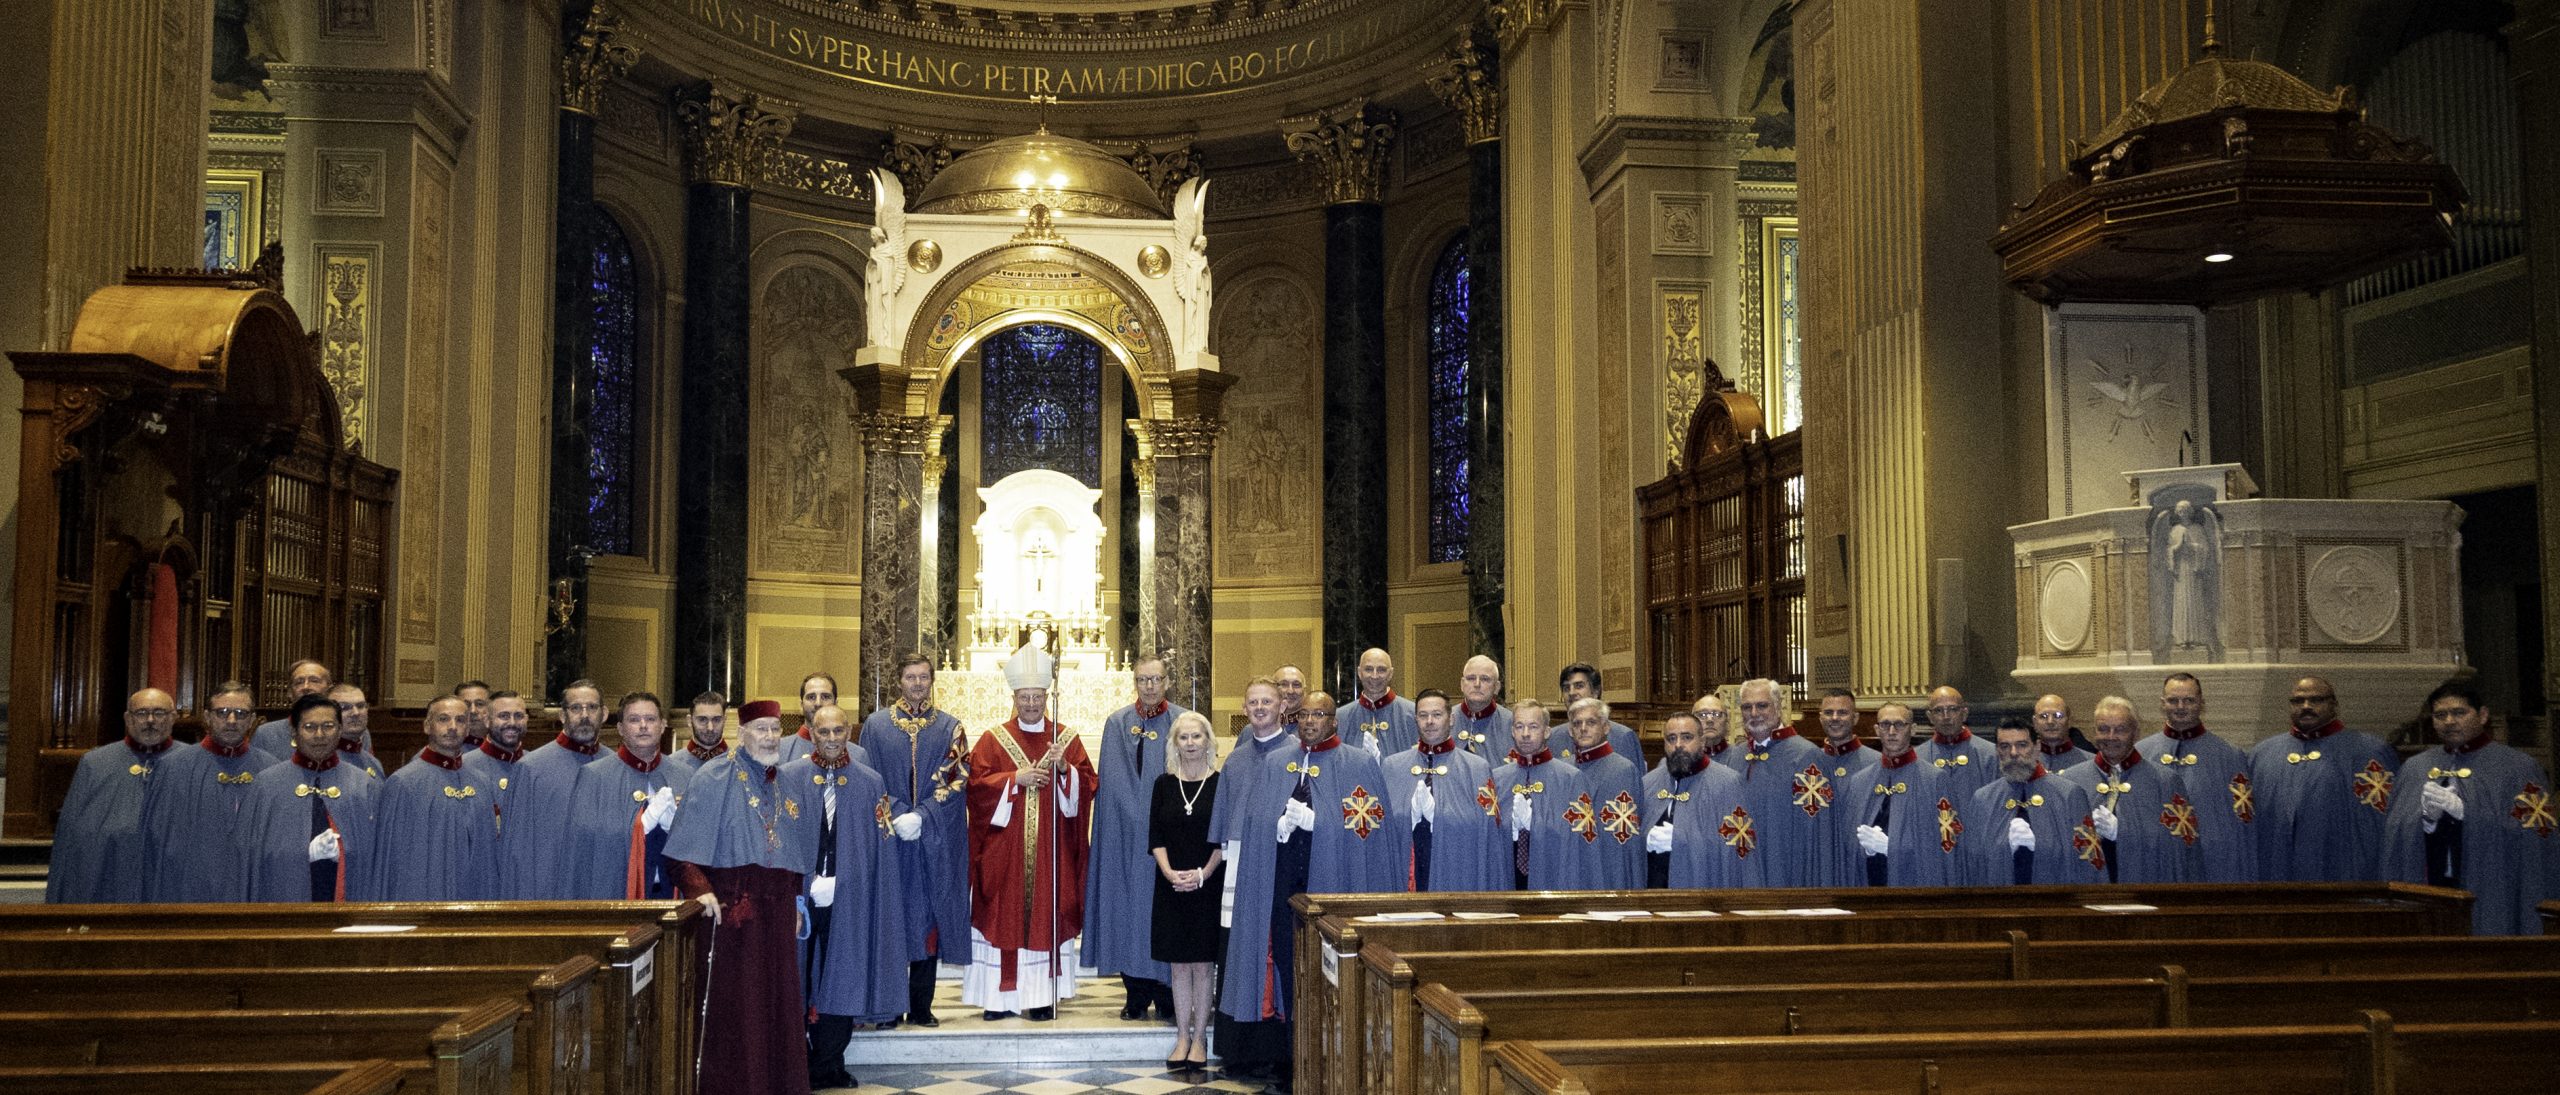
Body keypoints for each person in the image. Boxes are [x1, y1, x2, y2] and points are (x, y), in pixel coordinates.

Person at [1218, 693, 1402, 1089]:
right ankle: (1291, 1058)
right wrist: (1276, 826)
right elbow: (1256, 822)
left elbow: (1367, 828)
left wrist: (1319, 822)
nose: (1310, 721)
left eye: (1320, 714)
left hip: (1332, 892)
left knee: (1332, 977)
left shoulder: (1358, 763)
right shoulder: (1274, 763)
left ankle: (1333, 1061)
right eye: (1304, 714)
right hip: (1284, 893)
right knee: (1289, 973)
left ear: (1335, 720)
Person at [664, 699, 819, 1095]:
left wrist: (797, 901)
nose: (770, 737)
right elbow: (683, 853)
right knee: (739, 1012)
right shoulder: (714, 777)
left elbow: (791, 850)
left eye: (775, 729)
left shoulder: (785, 780)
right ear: (743, 733)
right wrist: (702, 891)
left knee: (778, 1006)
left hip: (778, 913)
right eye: (761, 729)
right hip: (733, 916)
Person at [962, 641, 1096, 1021]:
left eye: (1038, 697)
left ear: (1047, 696)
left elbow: (1087, 786)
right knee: (1003, 912)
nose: (1033, 704)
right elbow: (976, 786)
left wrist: (1064, 770)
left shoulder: (1064, 739)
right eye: (1026, 697)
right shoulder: (993, 738)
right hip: (1005, 852)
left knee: (1045, 913)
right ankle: (997, 999)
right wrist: (1014, 779)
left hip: (1052, 850)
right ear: (1015, 696)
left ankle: (1040, 997)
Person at [2380, 680, 2559, 935]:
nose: (2449, 721)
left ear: (2483, 715)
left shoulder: (2517, 768)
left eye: (2459, 712)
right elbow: (2395, 839)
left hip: (2490, 892)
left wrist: (2466, 814)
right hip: (2429, 893)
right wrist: (2427, 821)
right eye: (2441, 715)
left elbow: (2535, 841)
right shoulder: (2414, 768)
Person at [794, 703, 906, 1092]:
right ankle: (799, 1061)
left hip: (851, 897)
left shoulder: (870, 782)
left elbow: (882, 844)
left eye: (838, 731)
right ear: (810, 730)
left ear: (849, 732)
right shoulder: (790, 778)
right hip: (801, 900)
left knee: (843, 975)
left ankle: (829, 1063)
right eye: (822, 732)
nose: (830, 739)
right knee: (800, 976)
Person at [862, 653, 969, 1029]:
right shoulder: (875, 727)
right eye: (911, 677)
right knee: (891, 919)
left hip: (930, 839)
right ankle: (889, 1007)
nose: (918, 684)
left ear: (932, 680)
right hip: (889, 839)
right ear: (899, 680)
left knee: (926, 921)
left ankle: (922, 1006)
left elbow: (957, 779)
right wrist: (894, 810)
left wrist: (922, 814)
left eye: (924, 677)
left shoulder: (950, 727)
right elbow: (867, 777)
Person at [1086, 656, 1187, 1022]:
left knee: (1165, 911)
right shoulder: (1118, 723)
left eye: (1156, 679)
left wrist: (1163, 819)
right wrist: (1138, 819)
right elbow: (1112, 782)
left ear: (1166, 681)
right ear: (1135, 682)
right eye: (1143, 679)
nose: (1149, 686)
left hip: (1170, 834)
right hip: (1126, 835)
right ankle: (1135, 994)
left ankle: (1166, 993)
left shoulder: (1182, 720)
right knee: (1128, 910)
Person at [1205, 676, 1297, 1077]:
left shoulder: (1297, 754)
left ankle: (1278, 1052)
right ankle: (1238, 1048)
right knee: (1237, 950)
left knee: (1273, 950)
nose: (1259, 708)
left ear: (1281, 708)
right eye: (1253, 702)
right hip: (1239, 866)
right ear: (1245, 708)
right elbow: (1223, 826)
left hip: (1279, 865)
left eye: (1267, 702)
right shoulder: (1237, 759)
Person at [2249, 676, 2398, 881]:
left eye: (2316, 700)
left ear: (2334, 705)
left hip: (2343, 873)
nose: (2306, 706)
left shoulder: (2368, 751)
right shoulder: (2263, 753)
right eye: (2298, 701)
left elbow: (2383, 824)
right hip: (2278, 873)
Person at [236, 693, 380, 901]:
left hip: (347, 905)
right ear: (294, 732)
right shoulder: (266, 785)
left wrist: (344, 852)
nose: (319, 735)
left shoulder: (363, 785)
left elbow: (375, 858)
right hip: (284, 904)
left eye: (328, 726)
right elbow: (251, 858)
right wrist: (304, 854)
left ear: (340, 730)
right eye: (310, 727)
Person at [144, 681, 280, 901]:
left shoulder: (271, 769)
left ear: (252, 721)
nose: (232, 721)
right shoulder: (173, 768)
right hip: (188, 893)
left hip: (251, 893)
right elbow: (156, 844)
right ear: (207, 717)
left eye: (240, 713)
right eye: (222, 712)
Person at [46, 688, 180, 903]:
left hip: (170, 877)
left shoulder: (190, 761)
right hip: (110, 876)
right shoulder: (96, 762)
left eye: (160, 713)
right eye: (142, 713)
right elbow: (72, 833)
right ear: (128, 718)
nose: (150, 720)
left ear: (173, 717)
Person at [368, 695, 502, 900]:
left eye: (460, 720)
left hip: (475, 897)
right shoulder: (403, 783)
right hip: (423, 896)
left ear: (468, 728)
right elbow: (391, 861)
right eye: (443, 719)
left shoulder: (481, 782)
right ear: (427, 726)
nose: (452, 727)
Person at [1150, 711, 1225, 1074]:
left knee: (1203, 964)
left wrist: (1202, 874)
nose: (1191, 743)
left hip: (1206, 885)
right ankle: (1182, 1036)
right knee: (1179, 966)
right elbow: (1156, 838)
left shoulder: (1219, 783)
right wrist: (1169, 873)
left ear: (1208, 742)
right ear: (1174, 743)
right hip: (1171, 885)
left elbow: (1224, 839)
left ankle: (1200, 1038)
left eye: (1197, 737)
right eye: (1184, 737)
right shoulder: (1163, 784)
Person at [2054, 696, 2198, 884]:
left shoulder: (2166, 782)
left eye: (2120, 729)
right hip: (2086, 894)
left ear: (2135, 733)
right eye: (2103, 729)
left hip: (2144, 891)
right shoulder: (2070, 780)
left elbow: (2181, 847)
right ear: (2093, 733)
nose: (2111, 737)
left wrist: (2123, 832)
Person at [563, 691, 691, 898]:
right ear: (620, 729)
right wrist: (641, 826)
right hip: (618, 892)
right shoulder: (594, 776)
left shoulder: (684, 774)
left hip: (673, 894)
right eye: (634, 720)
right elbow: (585, 845)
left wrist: (676, 829)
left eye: (650, 719)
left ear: (663, 725)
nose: (643, 726)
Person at [2135, 673, 2256, 882]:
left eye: (2189, 700)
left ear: (2201, 703)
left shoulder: (2229, 756)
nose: (2180, 707)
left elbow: (2242, 822)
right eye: (2173, 700)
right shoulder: (2140, 754)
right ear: (2162, 704)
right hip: (2157, 863)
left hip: (2212, 864)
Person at [1383, 689, 1506, 891]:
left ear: (1451, 719)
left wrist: (1436, 816)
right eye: (1423, 715)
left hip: (1456, 869)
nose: (1429, 721)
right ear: (1415, 720)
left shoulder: (1476, 767)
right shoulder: (1393, 766)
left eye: (1437, 715)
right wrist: (1409, 816)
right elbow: (1383, 830)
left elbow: (1484, 829)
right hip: (1407, 871)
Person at [1963, 718, 2104, 885]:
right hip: (2000, 903)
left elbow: (2087, 861)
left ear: (2037, 747)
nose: (2013, 753)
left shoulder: (2069, 795)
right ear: (1997, 751)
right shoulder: (1983, 799)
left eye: (2022, 745)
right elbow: (1974, 864)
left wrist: (2038, 846)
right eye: (2005, 746)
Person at [1731, 678, 1842, 887]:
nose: (1754, 713)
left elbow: (1818, 835)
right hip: (1742, 874)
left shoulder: (1806, 756)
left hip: (1788, 874)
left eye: (1762, 705)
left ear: (1779, 707)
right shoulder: (1736, 757)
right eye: (1747, 707)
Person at [1843, 702, 1964, 886]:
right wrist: (1862, 850)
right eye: (1885, 725)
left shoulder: (1935, 780)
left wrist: (1892, 848)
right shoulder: (1859, 781)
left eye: (1899, 724)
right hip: (1868, 888)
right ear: (1877, 730)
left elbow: (1948, 844)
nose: (1891, 731)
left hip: (1914, 889)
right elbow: (1847, 846)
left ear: (1913, 729)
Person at [513, 679, 608, 897]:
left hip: (600, 892)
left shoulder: (615, 766)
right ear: (562, 715)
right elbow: (518, 852)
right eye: (576, 708)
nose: (584, 715)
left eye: (591, 707)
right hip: (548, 892)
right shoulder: (531, 769)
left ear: (603, 714)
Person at [1641, 711, 1757, 888]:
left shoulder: (1728, 783)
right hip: (1654, 890)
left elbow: (1737, 847)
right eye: (1671, 739)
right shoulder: (1649, 783)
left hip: (1703, 890)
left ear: (1702, 741)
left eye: (1687, 737)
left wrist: (1680, 839)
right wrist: (1644, 839)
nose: (1678, 745)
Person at [1495, 699, 1589, 890]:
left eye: (1533, 727)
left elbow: (1579, 839)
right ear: (1512, 731)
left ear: (1547, 732)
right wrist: (1510, 827)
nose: (1525, 734)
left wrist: (1535, 824)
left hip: (1553, 877)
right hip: (1508, 877)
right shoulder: (1498, 778)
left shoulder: (1571, 778)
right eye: (1519, 726)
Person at [1564, 697, 1646, 889]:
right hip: (1573, 863)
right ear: (1570, 730)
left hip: (1610, 865)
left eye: (1591, 722)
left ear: (1606, 727)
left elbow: (1625, 835)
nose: (1583, 728)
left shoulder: (1624, 770)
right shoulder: (1564, 769)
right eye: (1577, 723)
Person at [461, 690, 534, 895]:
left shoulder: (537, 767)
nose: (512, 722)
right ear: (486, 720)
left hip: (524, 882)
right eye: (503, 716)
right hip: (479, 882)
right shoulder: (464, 767)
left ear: (527, 720)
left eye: (518, 716)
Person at [1915, 686, 1997, 798]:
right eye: (1938, 710)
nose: (1946, 716)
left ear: (1964, 714)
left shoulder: (1990, 754)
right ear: (1930, 717)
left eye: (1953, 709)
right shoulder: (1917, 758)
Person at [1546, 662, 1641, 760]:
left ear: (1596, 692)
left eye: (1579, 686)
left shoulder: (1622, 736)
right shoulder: (1553, 737)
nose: (1571, 693)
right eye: (1566, 688)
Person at [1337, 647, 1419, 757]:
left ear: (1391, 674)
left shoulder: (1413, 714)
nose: (1374, 676)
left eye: (1381, 670)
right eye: (1368, 669)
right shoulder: (1340, 717)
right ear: (1359, 673)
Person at [251, 658, 332, 757]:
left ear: (329, 690)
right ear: (289, 692)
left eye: (314, 681)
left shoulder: (341, 733)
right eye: (299, 682)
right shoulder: (265, 735)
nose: (306, 687)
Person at [1451, 655, 1514, 766]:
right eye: (1471, 678)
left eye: (1485, 679)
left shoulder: (1513, 723)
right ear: (1462, 684)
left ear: (1497, 687)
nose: (1477, 684)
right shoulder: (1445, 720)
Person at [324, 683, 384, 777]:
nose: (355, 713)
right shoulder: (320, 763)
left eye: (360, 706)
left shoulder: (373, 763)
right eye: (344, 707)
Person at [668, 691, 729, 779]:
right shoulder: (671, 766)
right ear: (689, 721)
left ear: (724, 720)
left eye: (716, 720)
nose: (710, 728)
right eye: (702, 720)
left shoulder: (739, 765)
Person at [1816, 689, 1874, 778]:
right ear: (1820, 718)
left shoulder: (1875, 762)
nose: (1835, 718)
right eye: (1828, 713)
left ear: (1855, 718)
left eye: (1842, 713)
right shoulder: (1811, 761)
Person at [1693, 692, 1736, 762]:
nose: (1709, 720)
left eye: (1717, 714)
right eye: (1702, 715)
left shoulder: (1740, 757)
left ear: (1727, 721)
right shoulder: (1685, 758)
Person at [454, 679, 493, 750]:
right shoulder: (445, 749)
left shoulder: (504, 744)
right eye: (466, 704)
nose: (473, 711)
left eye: (479, 704)